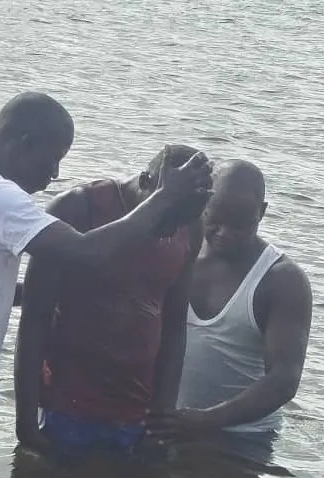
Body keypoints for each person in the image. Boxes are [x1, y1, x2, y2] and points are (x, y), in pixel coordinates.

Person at [0, 91, 212, 478]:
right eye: (53, 159)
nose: (54, 173)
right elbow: (88, 251)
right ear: (25, 144)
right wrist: (164, 199)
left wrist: (60, 295)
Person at [14, 146, 204, 459]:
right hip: (64, 407)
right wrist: (26, 422)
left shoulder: (190, 225)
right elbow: (35, 316)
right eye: (166, 216)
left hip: (136, 414)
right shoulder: (78, 209)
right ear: (146, 182)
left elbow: (174, 325)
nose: (170, 231)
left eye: (181, 223)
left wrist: (162, 419)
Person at [145, 159, 312, 459]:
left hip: (244, 440)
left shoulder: (282, 280)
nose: (224, 233)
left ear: (262, 213)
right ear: (204, 203)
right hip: (166, 426)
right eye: (216, 220)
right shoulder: (175, 249)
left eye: (240, 226)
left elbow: (284, 379)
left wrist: (208, 421)